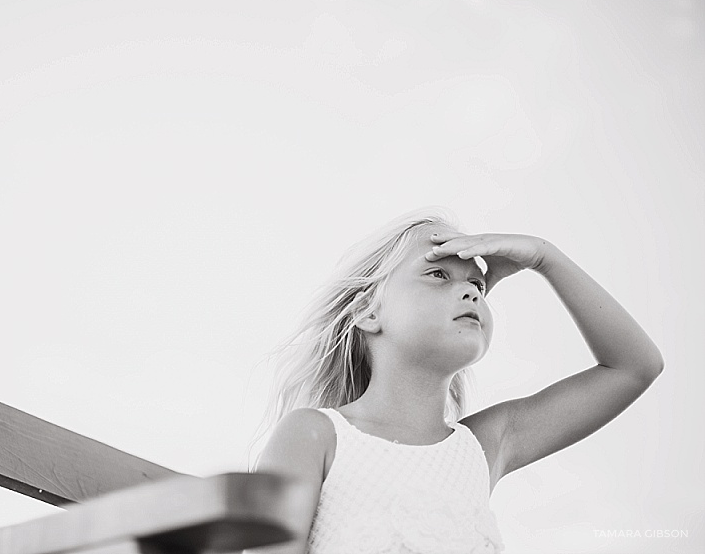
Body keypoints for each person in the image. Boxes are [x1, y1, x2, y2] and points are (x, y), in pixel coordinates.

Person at [251, 209, 663, 554]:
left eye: (477, 283)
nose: (470, 292)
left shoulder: (485, 446)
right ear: (369, 312)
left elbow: (634, 367)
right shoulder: (314, 435)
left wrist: (544, 257)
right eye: (438, 275)